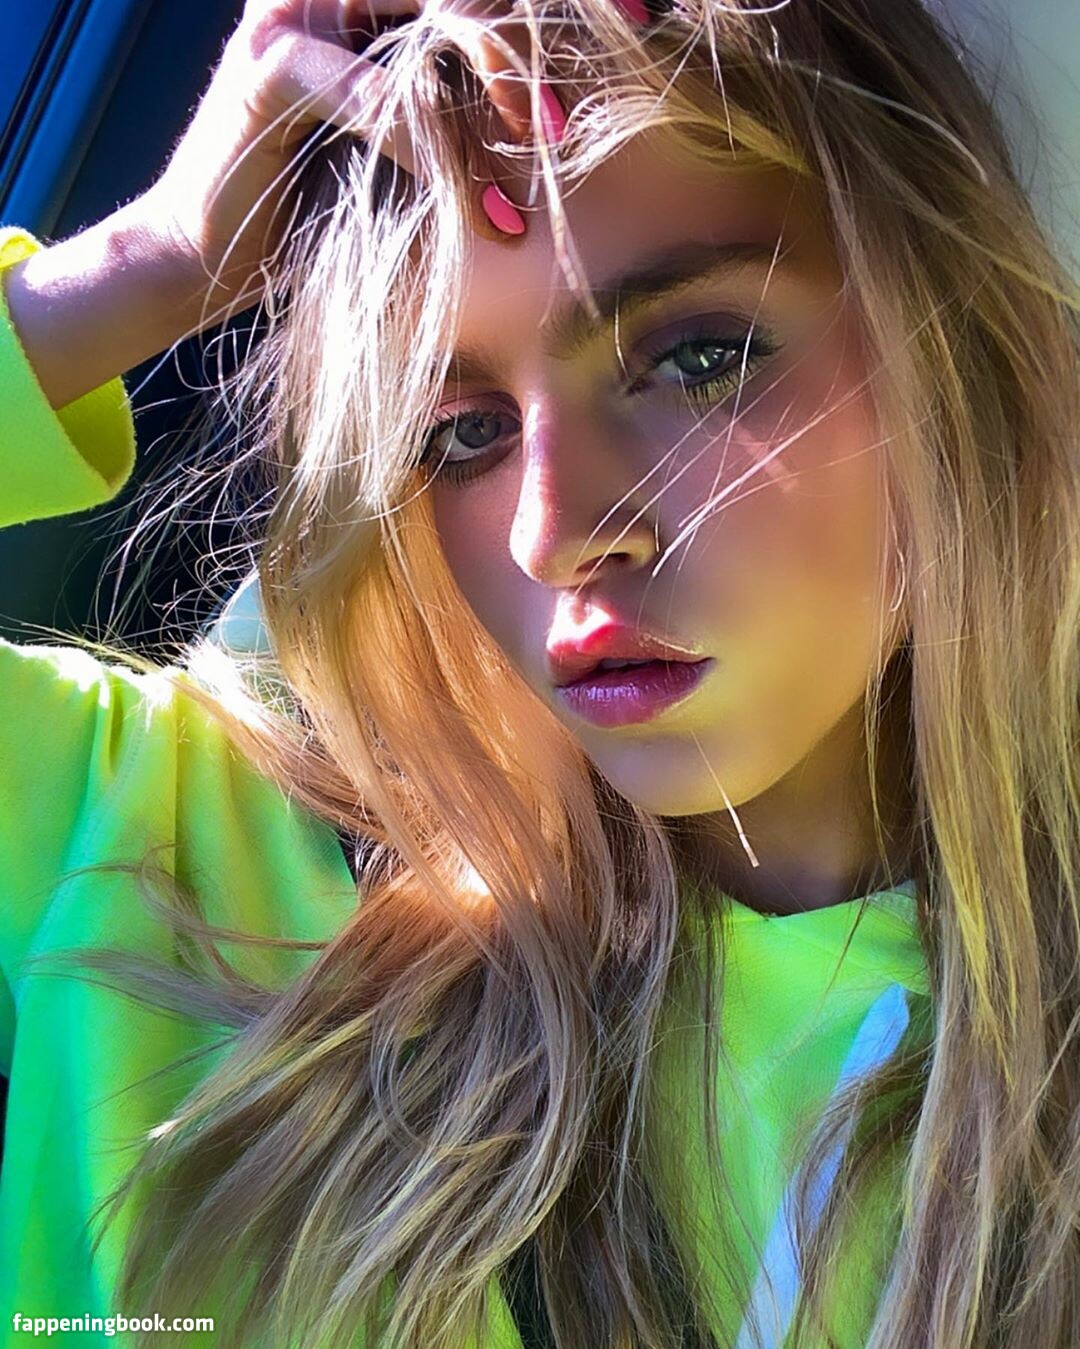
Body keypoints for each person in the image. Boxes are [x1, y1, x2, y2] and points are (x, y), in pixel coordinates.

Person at [1, 0, 1077, 1345]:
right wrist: (153, 258)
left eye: (697, 358)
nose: (553, 532)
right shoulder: (169, 848)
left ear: (955, 361)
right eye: (461, 433)